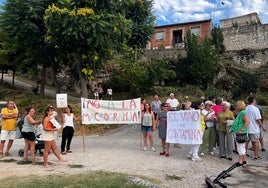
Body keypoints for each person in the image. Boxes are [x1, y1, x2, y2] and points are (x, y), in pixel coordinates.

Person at [231, 100, 249, 166]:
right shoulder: (241, 112)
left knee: (240, 147)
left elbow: (247, 121)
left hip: (240, 132)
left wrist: (241, 130)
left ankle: (240, 161)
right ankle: (243, 160)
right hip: (240, 132)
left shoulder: (242, 113)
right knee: (242, 146)